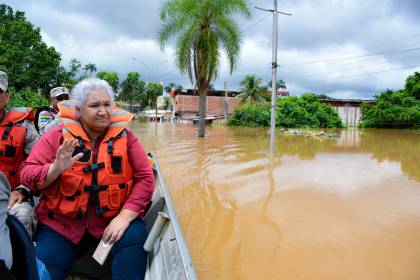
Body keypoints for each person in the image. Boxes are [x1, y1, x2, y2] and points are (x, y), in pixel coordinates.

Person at [20, 78, 155, 280]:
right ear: (78, 109)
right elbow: (27, 174)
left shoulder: (126, 138)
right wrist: (55, 169)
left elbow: (145, 178)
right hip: (62, 225)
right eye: (94, 105)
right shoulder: (55, 136)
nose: (103, 111)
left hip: (113, 221)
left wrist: (124, 218)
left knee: (135, 239)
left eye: (107, 104)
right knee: (42, 269)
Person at [0, 71, 39, 237]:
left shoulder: (24, 127)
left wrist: (23, 190)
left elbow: (40, 164)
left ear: (7, 96)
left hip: (12, 195)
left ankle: (19, 262)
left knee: (22, 215)